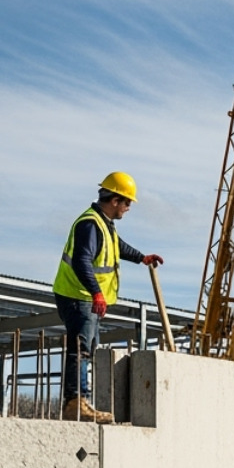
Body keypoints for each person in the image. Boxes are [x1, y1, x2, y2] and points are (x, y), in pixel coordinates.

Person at [53, 173, 164, 423]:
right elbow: (82, 261)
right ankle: (75, 403)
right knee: (80, 350)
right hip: (78, 296)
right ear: (114, 200)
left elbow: (117, 245)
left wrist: (141, 257)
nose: (128, 208)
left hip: (84, 298)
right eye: (127, 203)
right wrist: (96, 293)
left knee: (87, 349)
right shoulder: (90, 224)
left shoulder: (103, 225)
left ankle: (80, 402)